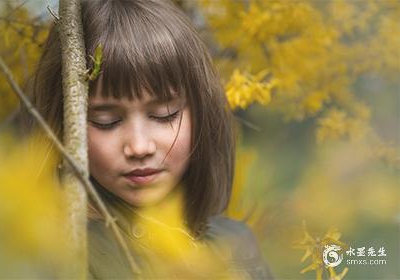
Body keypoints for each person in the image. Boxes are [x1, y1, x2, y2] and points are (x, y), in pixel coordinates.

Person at [22, 0, 274, 279]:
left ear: (202, 114)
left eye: (164, 115)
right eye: (107, 121)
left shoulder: (238, 244)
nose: (139, 147)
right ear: (63, 124)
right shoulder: (55, 254)